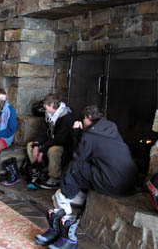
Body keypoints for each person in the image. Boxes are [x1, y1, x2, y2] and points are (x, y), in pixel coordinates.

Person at [35, 106, 137, 249]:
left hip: (112, 182)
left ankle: (66, 223)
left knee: (74, 168)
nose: (82, 120)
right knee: (85, 167)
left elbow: (77, 157)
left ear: (88, 118)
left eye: (83, 118)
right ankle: (64, 214)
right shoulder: (110, 127)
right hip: (128, 179)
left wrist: (77, 132)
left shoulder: (90, 136)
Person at [27, 93, 74, 190]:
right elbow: (43, 132)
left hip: (63, 145)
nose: (44, 106)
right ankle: (38, 169)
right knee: (30, 145)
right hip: (51, 141)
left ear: (52, 105)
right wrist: (36, 145)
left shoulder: (66, 117)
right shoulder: (48, 114)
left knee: (53, 151)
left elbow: (60, 139)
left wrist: (43, 149)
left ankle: (54, 177)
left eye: (46, 105)